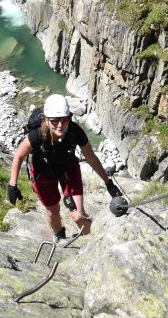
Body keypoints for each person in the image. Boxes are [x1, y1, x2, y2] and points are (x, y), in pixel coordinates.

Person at [7, 94, 122, 242]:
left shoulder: (74, 131)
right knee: (52, 211)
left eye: (64, 120)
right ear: (46, 120)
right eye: (54, 121)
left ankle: (91, 241)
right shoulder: (37, 136)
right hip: (44, 174)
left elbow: (91, 157)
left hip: (68, 170)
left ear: (69, 118)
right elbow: (18, 157)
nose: (60, 125)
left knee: (78, 215)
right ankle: (59, 234)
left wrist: (108, 183)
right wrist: (12, 185)